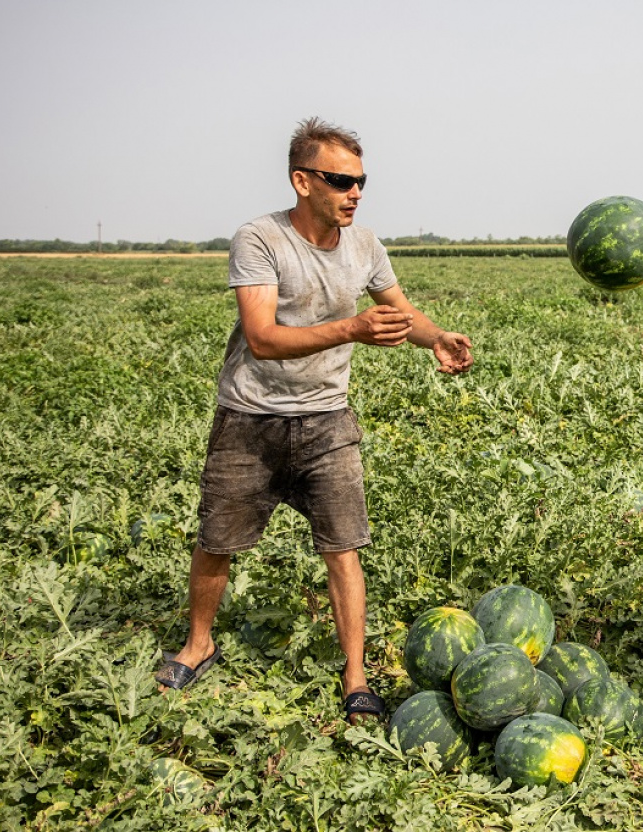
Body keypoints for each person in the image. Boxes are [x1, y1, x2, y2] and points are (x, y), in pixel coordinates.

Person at [156, 117, 473, 724]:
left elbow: (399, 311)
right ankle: (199, 644)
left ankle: (355, 677)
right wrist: (352, 328)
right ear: (303, 181)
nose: (353, 192)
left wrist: (434, 338)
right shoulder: (261, 239)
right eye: (339, 180)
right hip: (250, 418)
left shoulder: (365, 244)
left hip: (327, 420)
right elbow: (263, 338)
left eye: (360, 181)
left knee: (344, 547)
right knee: (217, 541)